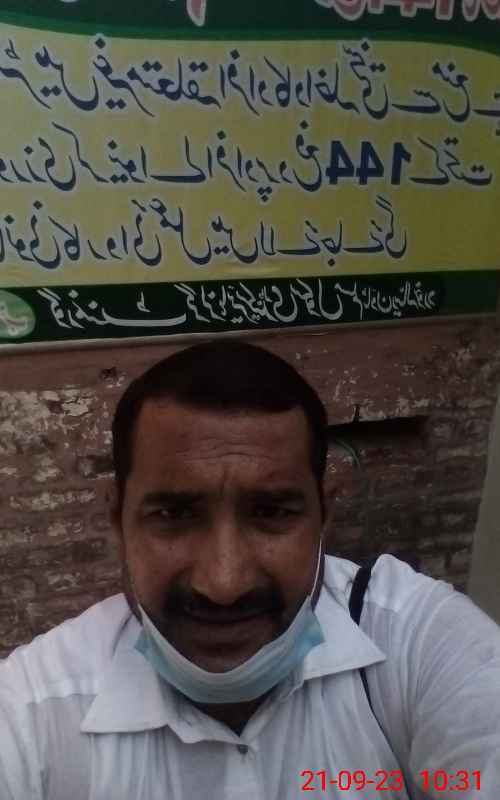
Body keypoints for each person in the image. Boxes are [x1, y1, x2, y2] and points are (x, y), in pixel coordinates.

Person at [1, 339, 499, 800]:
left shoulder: (419, 646)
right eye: (174, 514)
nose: (224, 583)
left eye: (272, 512)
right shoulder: (32, 711)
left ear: (324, 515)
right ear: (118, 521)